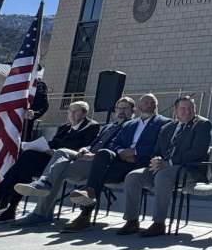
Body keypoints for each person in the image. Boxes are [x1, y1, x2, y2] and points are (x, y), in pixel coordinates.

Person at [11, 96, 137, 226]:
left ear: (133, 110)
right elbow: (92, 144)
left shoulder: (134, 126)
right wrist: (84, 149)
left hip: (102, 164)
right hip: (86, 157)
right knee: (61, 153)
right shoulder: (108, 127)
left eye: (125, 108)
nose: (121, 111)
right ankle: (42, 191)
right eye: (119, 108)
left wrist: (95, 155)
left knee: (59, 169)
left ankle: (41, 211)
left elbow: (124, 149)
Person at [0, 99, 100, 220]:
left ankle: (1, 198)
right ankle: (9, 206)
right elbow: (54, 142)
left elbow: (85, 147)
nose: (71, 114)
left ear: (84, 113)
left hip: (67, 162)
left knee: (28, 160)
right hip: (50, 158)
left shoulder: (91, 126)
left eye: (75, 111)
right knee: (26, 161)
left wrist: (54, 152)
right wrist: (42, 147)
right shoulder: (65, 127)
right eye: (69, 111)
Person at [62, 93, 171, 232]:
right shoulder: (130, 124)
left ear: (156, 105)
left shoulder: (165, 123)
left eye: (152, 102)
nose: (149, 105)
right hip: (121, 163)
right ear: (138, 107)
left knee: (97, 177)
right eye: (145, 102)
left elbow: (160, 146)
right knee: (103, 154)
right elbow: (115, 143)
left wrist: (135, 152)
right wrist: (121, 152)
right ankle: (86, 208)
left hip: (142, 164)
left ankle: (86, 214)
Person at [117, 96, 212, 237]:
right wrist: (156, 160)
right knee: (133, 176)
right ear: (176, 111)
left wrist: (169, 163)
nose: (187, 112)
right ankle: (132, 221)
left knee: (163, 176)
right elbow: (157, 151)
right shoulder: (168, 127)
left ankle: (159, 223)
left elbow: (197, 152)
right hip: (164, 167)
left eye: (190, 108)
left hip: (189, 169)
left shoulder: (202, 125)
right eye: (183, 108)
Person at [0, 73, 49, 194]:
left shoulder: (37, 85)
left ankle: (7, 197)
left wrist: (34, 113)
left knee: (14, 164)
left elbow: (44, 105)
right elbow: (0, 109)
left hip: (19, 131)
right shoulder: (12, 83)